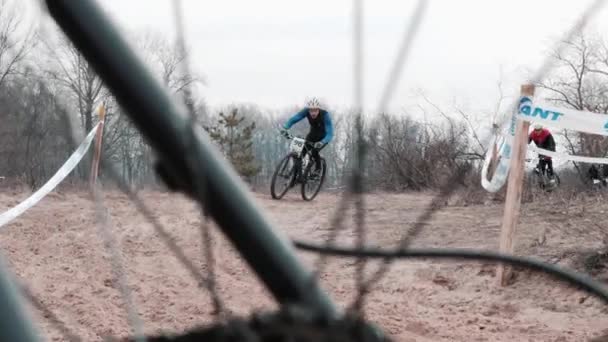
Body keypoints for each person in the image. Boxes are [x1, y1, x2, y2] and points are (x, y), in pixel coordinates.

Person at [280, 97, 333, 176]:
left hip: (323, 137)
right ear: (308, 110)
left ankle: (318, 169)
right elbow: (294, 119)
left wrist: (322, 142)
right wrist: (285, 127)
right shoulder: (306, 111)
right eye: (311, 110)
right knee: (301, 152)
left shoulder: (325, 115)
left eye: (315, 110)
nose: (313, 113)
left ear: (318, 109)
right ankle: (297, 174)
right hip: (312, 135)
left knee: (315, 151)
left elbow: (330, 133)